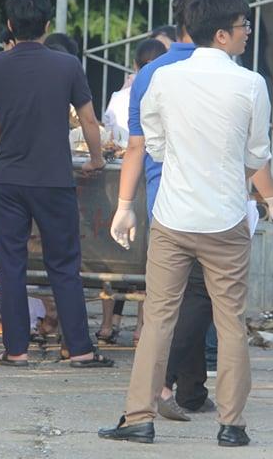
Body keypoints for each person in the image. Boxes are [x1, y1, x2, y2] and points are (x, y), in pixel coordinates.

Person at [100, 0, 273, 448]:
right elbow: (256, 154)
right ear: (222, 34)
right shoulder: (251, 84)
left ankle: (139, 417)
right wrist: (245, 186)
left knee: (158, 319)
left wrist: (134, 201)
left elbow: (153, 145)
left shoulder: (163, 78)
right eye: (243, 26)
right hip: (226, 219)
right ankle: (232, 424)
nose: (247, 32)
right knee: (230, 323)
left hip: (173, 217)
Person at [0, 0, 113, 369]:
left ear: (10, 25)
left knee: (11, 264)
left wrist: (8, 146)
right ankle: (80, 349)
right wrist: (97, 158)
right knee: (64, 264)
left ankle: (16, 350)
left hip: (7, 178)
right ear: (47, 25)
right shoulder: (67, 65)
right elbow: (89, 120)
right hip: (54, 177)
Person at [108, 0, 216, 421]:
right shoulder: (225, 72)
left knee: (171, 297)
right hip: (208, 199)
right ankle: (165, 383)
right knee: (198, 296)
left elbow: (136, 145)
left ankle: (189, 389)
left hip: (162, 198)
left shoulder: (151, 72)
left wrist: (125, 204)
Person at [96, 37, 167, 346]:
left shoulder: (121, 95)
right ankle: (141, 328)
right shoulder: (168, 90)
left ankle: (107, 324)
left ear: (135, 65)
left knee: (111, 254)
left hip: (118, 182)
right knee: (149, 259)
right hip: (152, 181)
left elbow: (109, 135)